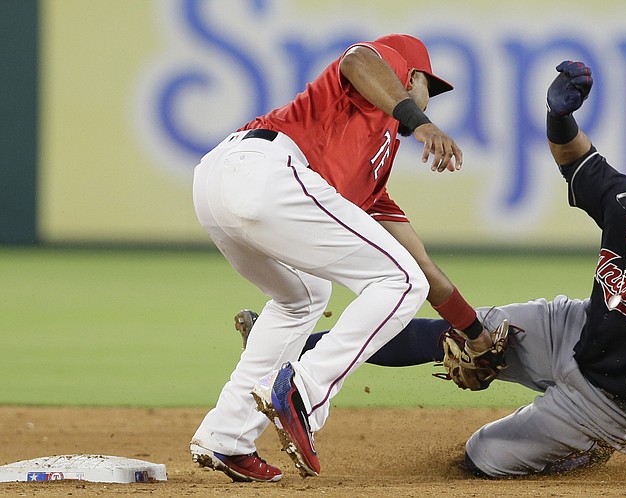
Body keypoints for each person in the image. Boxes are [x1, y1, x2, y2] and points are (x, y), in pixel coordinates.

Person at [251, 60, 626, 487]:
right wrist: (560, 115)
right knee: (460, 333)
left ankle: (583, 453)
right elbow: (577, 160)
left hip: (617, 405)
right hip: (574, 329)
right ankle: (297, 347)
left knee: (482, 457)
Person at [189, 33, 498, 482]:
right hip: (264, 167)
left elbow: (427, 272)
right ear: (410, 77)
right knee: (399, 282)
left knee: (310, 295)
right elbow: (357, 59)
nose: (430, 100)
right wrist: (420, 122)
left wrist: (474, 333)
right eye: (430, 86)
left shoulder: (373, 177)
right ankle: (305, 391)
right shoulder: (384, 67)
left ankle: (227, 436)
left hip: (222, 182)